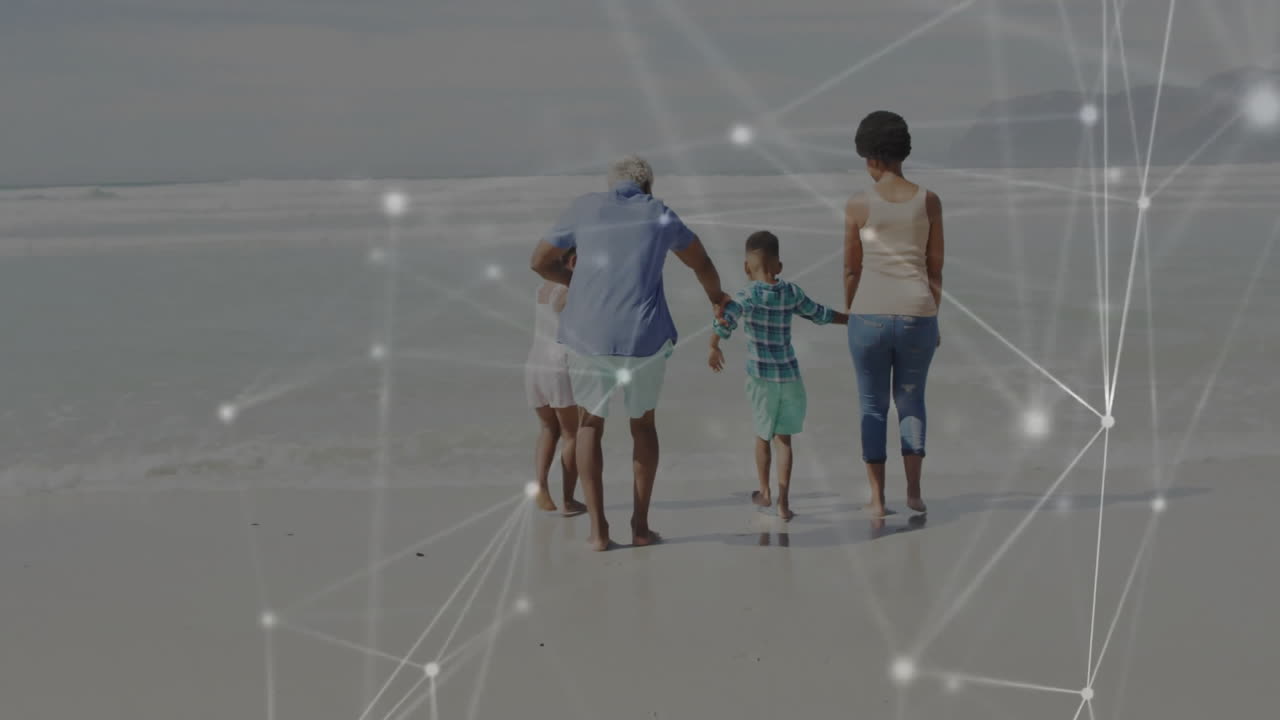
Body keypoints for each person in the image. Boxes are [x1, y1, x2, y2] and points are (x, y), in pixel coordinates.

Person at [530, 155, 730, 551]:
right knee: (642, 426)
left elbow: (539, 261)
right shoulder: (659, 213)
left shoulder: (584, 207)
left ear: (611, 185)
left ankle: (599, 531)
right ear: (649, 187)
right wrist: (716, 298)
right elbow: (701, 262)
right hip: (644, 338)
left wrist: (575, 281)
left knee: (589, 425)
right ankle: (640, 526)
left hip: (588, 336)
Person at [843, 110, 945, 518]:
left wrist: (852, 311)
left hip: (868, 314)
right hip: (918, 312)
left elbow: (851, 268)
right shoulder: (929, 200)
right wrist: (932, 315)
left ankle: (879, 499)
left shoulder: (858, 203)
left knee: (872, 406)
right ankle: (915, 494)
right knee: (911, 401)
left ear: (871, 157)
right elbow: (935, 267)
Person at [708, 231, 847, 521]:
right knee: (784, 440)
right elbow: (819, 313)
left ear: (747, 267)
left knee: (762, 435)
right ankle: (784, 503)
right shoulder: (791, 292)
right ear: (779, 266)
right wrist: (849, 319)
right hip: (790, 378)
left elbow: (727, 320)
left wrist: (714, 344)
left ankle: (765, 491)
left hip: (761, 378)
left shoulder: (747, 295)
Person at [524, 247, 588, 516]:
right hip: (559, 365)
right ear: (573, 261)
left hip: (534, 363)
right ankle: (569, 500)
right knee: (572, 433)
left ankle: (540, 485)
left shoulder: (542, 287)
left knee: (548, 428)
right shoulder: (572, 290)